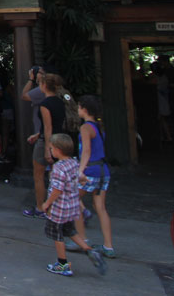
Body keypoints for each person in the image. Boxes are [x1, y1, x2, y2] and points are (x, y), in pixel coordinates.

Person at [42, 133, 107, 277]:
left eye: (51, 148)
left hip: (58, 209)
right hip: (71, 206)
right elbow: (81, 178)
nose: (51, 151)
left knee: (57, 235)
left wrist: (47, 203)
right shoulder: (74, 163)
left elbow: (57, 190)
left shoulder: (58, 167)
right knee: (71, 231)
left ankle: (62, 264)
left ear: (57, 150)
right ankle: (90, 250)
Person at [74, 95, 115, 258]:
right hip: (103, 170)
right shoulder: (98, 127)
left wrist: (80, 171)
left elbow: (86, 150)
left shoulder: (85, 128)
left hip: (90, 170)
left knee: (74, 200)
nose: (77, 110)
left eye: (78, 107)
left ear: (84, 109)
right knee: (101, 208)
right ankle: (108, 246)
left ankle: (82, 240)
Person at [23, 65, 49, 218]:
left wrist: (30, 79)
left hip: (44, 137)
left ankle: (41, 207)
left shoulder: (42, 91)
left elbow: (24, 95)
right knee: (56, 175)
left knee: (38, 174)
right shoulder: (56, 94)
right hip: (50, 136)